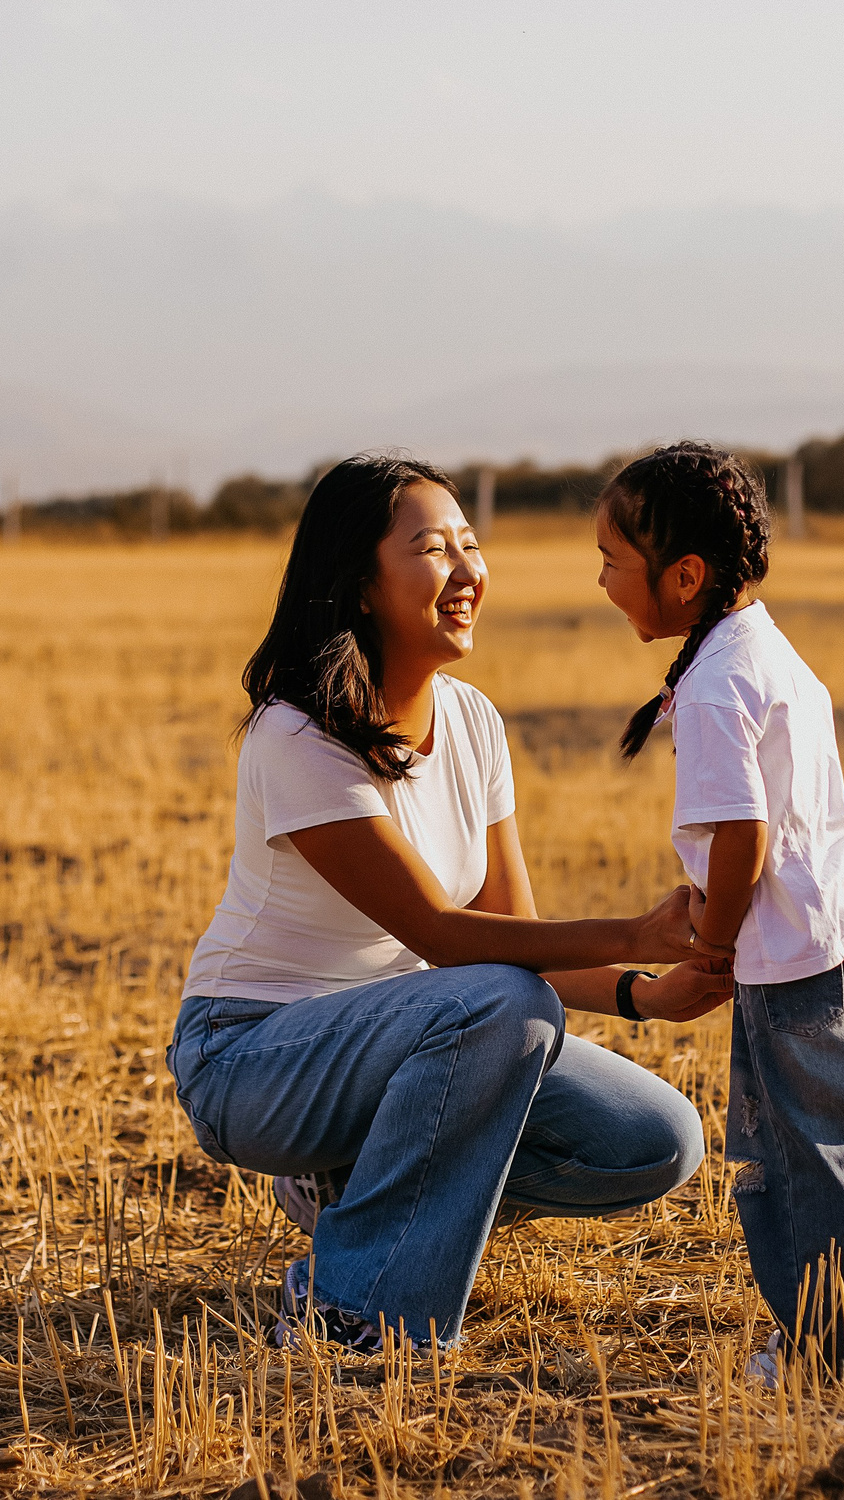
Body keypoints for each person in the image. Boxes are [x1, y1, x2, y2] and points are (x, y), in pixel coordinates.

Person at [167, 452, 734, 1354]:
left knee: (654, 1138)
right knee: (506, 1002)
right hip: (253, 1055)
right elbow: (441, 932)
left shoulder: (472, 721)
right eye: (435, 549)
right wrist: (639, 929)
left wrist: (642, 991)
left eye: (472, 544)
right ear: (360, 582)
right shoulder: (297, 733)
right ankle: (352, 1306)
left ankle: (355, 1191)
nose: (468, 570)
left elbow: (515, 928)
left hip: (405, 1045)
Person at [591, 441, 844, 1385]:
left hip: (797, 961)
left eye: (614, 561)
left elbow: (744, 837)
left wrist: (715, 940)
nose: (602, 581)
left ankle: (835, 1355)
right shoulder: (760, 645)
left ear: (682, 577)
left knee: (800, 1160)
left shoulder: (714, 684)